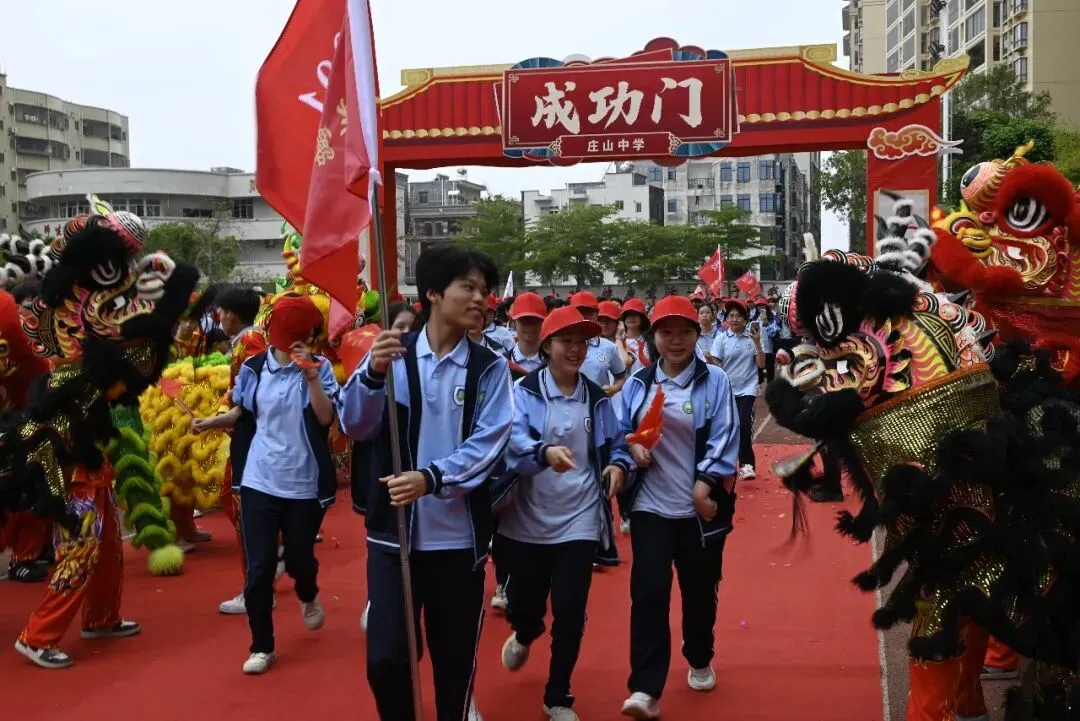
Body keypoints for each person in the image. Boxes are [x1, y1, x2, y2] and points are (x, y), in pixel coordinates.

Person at [341, 245, 512, 721]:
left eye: (485, 290)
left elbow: (491, 443)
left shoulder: (489, 367)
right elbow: (354, 425)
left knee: (454, 668)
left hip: (460, 543)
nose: (481, 299)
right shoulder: (391, 356)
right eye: (469, 288)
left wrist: (431, 478)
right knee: (387, 659)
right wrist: (373, 376)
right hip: (393, 539)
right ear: (433, 293)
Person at [193, 294, 339, 674]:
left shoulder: (320, 368)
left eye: (295, 337)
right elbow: (243, 412)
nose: (286, 343)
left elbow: (325, 419)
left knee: (300, 561)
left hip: (304, 482)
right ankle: (262, 645)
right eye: (282, 336)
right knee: (258, 569)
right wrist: (212, 422)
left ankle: (307, 594)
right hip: (260, 478)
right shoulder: (254, 367)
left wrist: (310, 377)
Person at [497, 305, 630, 721]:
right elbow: (512, 442)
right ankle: (526, 629)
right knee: (523, 604)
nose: (574, 350)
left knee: (571, 610)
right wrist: (543, 453)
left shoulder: (594, 395)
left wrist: (617, 464)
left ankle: (558, 694)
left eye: (581, 342)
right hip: (525, 521)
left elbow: (617, 441)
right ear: (548, 346)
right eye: (565, 341)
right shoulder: (524, 392)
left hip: (579, 518)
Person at [618, 295, 740, 720]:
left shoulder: (716, 381)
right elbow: (621, 431)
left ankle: (699, 654)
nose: (675, 340)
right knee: (649, 592)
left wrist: (705, 482)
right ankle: (644, 688)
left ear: (697, 334)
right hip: (651, 507)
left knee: (699, 593)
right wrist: (632, 450)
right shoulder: (639, 383)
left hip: (699, 515)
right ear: (653, 336)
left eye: (685, 331)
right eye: (666, 331)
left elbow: (726, 436)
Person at [208, 286, 269, 615]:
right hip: (248, 431)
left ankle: (257, 588)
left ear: (230, 314)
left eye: (222, 311)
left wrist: (226, 414)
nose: (220, 317)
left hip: (249, 434)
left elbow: (251, 394)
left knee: (244, 511)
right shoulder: (249, 340)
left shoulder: (250, 342)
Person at [491, 291, 548, 614]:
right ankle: (504, 580)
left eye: (535, 322)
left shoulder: (552, 362)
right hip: (507, 454)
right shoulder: (500, 362)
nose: (529, 328)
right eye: (524, 322)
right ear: (514, 323)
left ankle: (533, 578)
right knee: (505, 522)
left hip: (543, 454)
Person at [710, 299, 764, 481]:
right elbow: (716, 365)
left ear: (745, 319)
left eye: (738, 316)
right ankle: (723, 462)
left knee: (743, 423)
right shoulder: (721, 339)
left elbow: (761, 364)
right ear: (726, 318)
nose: (734, 319)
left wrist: (757, 343)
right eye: (731, 316)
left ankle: (747, 464)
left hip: (748, 387)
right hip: (727, 389)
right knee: (727, 427)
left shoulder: (752, 337)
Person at [572, 292, 627, 397]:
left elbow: (621, 377)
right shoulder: (560, 345)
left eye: (587, 312)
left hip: (599, 407)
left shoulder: (608, 347)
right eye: (578, 311)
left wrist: (614, 389)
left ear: (596, 315)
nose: (583, 316)